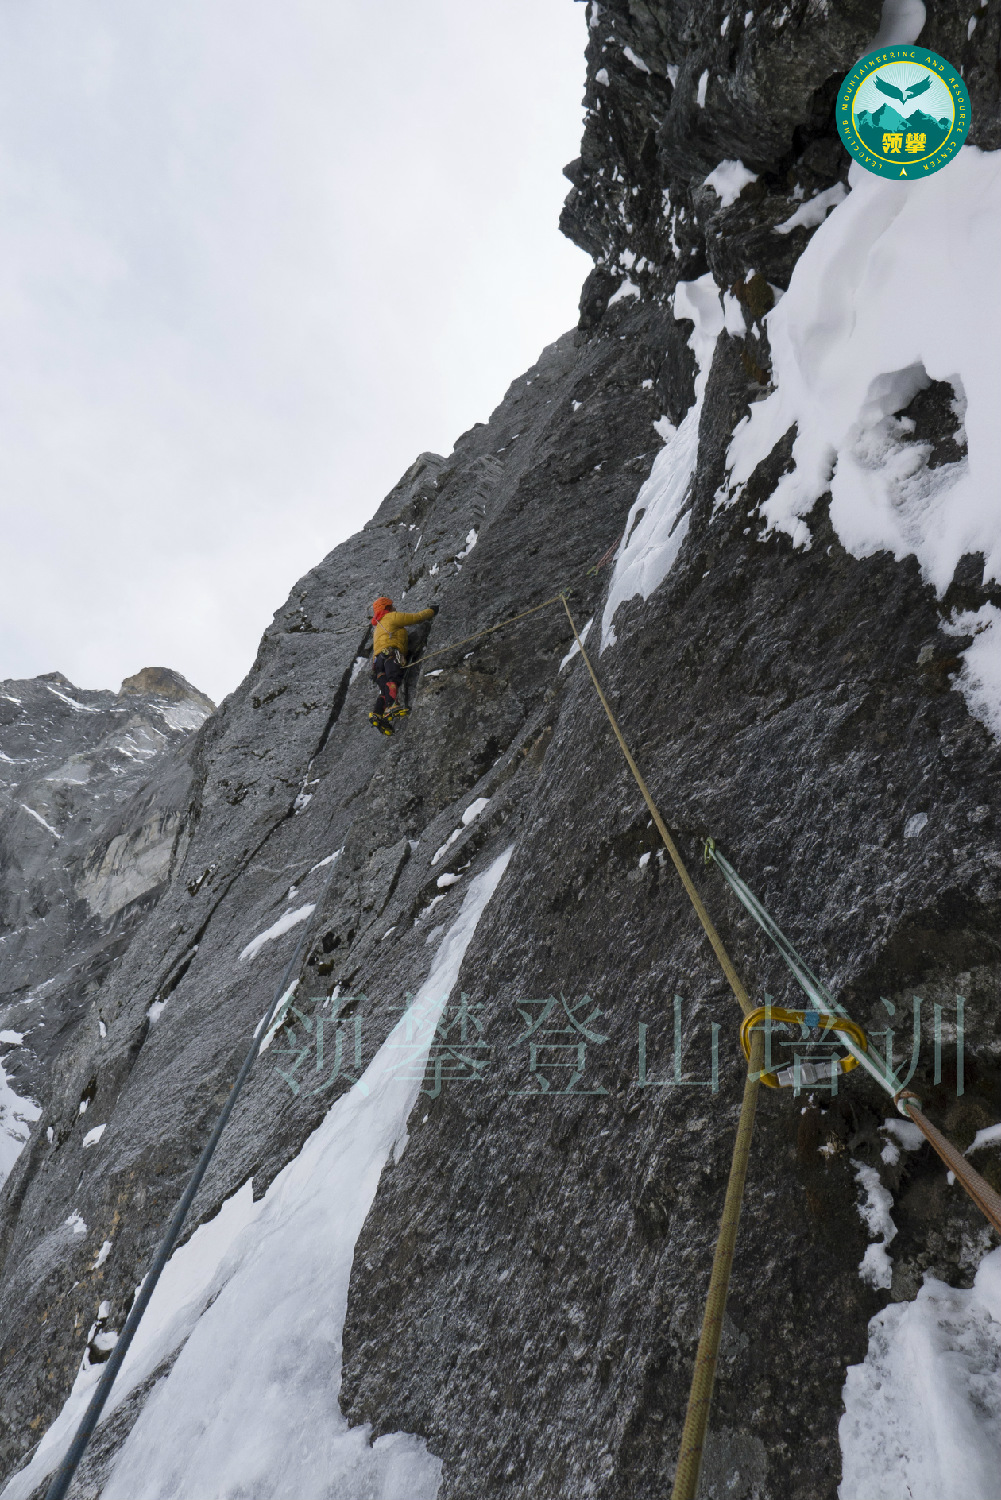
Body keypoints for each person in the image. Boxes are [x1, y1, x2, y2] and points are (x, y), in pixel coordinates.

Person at [368, 596, 438, 734]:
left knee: (384, 688)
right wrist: (432, 611)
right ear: (387, 608)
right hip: (391, 655)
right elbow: (416, 618)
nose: (394, 607)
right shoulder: (391, 617)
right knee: (393, 679)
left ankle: (377, 713)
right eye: (391, 605)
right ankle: (392, 706)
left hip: (378, 663)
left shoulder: (377, 629)